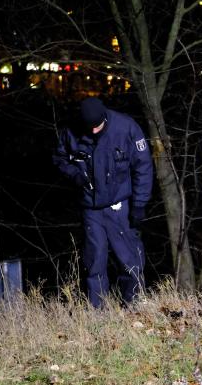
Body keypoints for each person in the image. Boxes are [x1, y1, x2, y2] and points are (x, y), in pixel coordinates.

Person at [53, 96, 153, 308]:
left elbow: (143, 166)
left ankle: (134, 306)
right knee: (94, 259)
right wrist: (75, 175)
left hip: (119, 205)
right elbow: (60, 159)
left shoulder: (126, 128)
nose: (94, 131)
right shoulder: (72, 132)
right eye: (90, 128)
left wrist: (140, 204)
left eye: (98, 127)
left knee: (128, 258)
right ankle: (97, 312)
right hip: (91, 207)